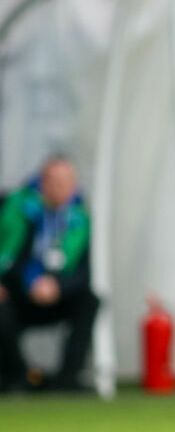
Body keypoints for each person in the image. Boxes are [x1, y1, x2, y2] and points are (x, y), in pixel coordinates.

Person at [0, 156, 98, 393]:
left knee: (90, 299)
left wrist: (57, 287)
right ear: (42, 183)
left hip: (54, 296)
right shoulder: (15, 209)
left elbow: (83, 274)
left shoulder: (80, 220)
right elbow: (11, 257)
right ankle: (18, 377)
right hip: (16, 293)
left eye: (67, 182)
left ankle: (68, 379)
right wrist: (26, 282)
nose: (61, 188)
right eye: (55, 181)